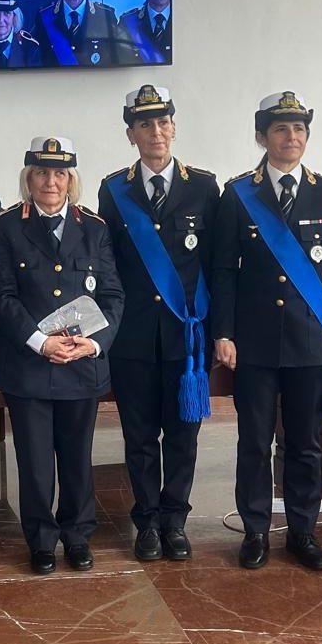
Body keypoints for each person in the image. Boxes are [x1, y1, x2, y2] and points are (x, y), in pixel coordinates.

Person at [212, 92, 322, 571]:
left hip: (310, 341)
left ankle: (302, 531)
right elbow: (223, 271)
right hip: (254, 343)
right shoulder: (238, 194)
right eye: (280, 128)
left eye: (298, 128)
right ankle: (255, 530)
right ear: (262, 137)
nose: (291, 137)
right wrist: (223, 332)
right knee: (255, 441)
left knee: (305, 443)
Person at [0, 138, 123, 574]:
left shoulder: (95, 228)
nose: (51, 181)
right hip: (28, 364)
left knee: (77, 457)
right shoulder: (7, 226)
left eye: (60, 173)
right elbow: (2, 295)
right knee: (35, 461)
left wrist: (94, 344)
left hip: (81, 364)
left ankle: (78, 536)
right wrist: (39, 341)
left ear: (71, 180)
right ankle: (42, 540)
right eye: (42, 173)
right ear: (29, 178)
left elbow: (112, 295)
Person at [97, 86, 218, 562]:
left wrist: (219, 331)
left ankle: (175, 521)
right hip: (133, 339)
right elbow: (106, 267)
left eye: (163, 121)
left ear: (174, 126)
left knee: (184, 437)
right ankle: (147, 520)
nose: (156, 132)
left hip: (186, 339)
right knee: (140, 437)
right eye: (144, 124)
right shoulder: (113, 191)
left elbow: (218, 266)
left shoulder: (204, 187)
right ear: (131, 133)